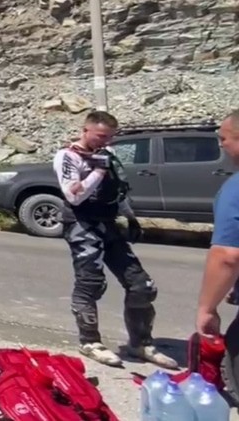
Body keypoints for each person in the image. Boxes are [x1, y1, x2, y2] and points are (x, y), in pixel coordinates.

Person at [54, 110, 178, 369]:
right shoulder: (68, 157)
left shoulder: (106, 156)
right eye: (101, 136)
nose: (105, 142)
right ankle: (90, 341)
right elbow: (74, 196)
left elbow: (118, 191)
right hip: (82, 224)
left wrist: (131, 218)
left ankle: (141, 343)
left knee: (142, 285)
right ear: (85, 130)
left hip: (109, 224)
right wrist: (98, 171)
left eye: (110, 138)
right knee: (91, 283)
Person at [195, 111, 239, 348]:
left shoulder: (235, 189)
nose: (221, 145)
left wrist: (207, 308)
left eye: (224, 139)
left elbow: (227, 256)